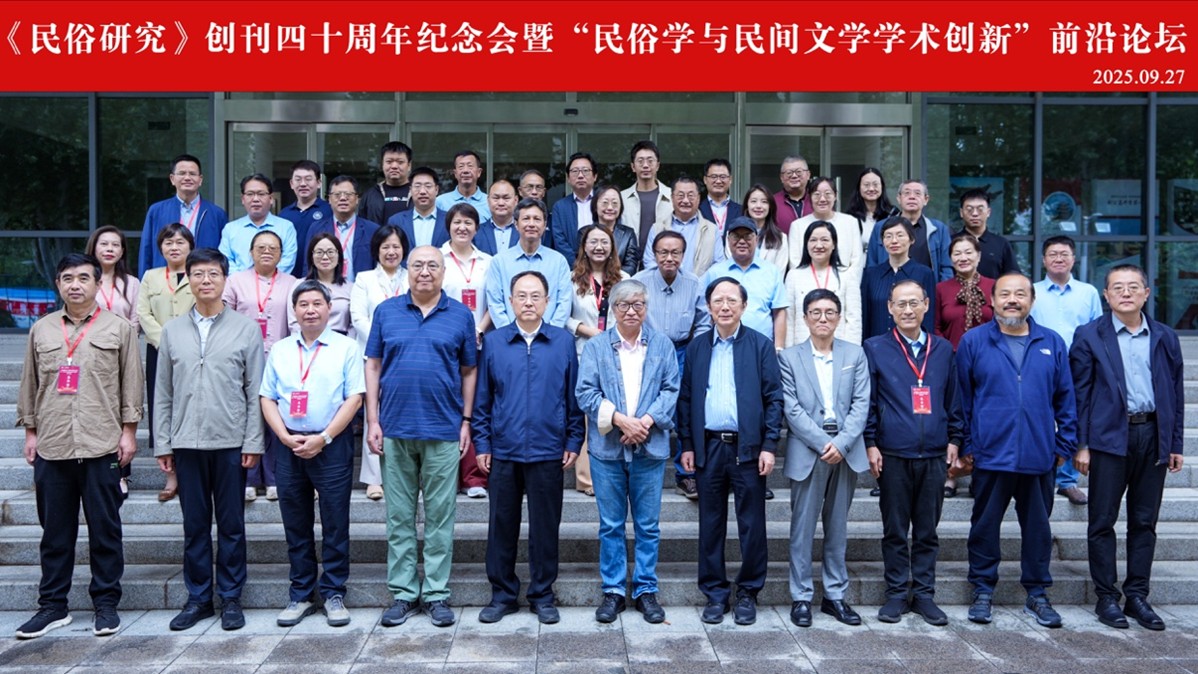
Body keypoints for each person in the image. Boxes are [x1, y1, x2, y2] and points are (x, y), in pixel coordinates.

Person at [14, 253, 142, 640]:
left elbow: (131, 382)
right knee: (55, 533)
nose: (75, 285)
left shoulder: (119, 328)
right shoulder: (42, 329)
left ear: (98, 284)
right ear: (58, 284)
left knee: (105, 531)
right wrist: (31, 432)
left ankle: (106, 604)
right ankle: (53, 606)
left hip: (102, 444)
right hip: (53, 444)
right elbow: (30, 382)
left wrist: (129, 432)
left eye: (84, 278)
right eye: (67, 278)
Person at [365, 246, 477, 629]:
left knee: (440, 517)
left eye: (432, 265)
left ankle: (436, 593)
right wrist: (373, 419)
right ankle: (403, 593)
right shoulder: (386, 312)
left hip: (443, 430)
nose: (424, 271)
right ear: (406, 270)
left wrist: (466, 421)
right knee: (399, 517)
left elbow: (468, 371)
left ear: (444, 271)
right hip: (394, 429)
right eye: (417, 265)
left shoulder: (460, 315)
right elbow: (373, 365)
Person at [956, 273, 1077, 628]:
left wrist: (1063, 446)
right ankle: (982, 590)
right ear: (992, 300)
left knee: (1038, 530)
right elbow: (962, 399)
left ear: (1032, 301)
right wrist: (967, 444)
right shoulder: (974, 341)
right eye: (1005, 294)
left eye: (1020, 294)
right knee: (984, 527)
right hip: (990, 454)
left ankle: (1037, 593)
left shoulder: (1051, 342)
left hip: (1039, 456)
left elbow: (1066, 399)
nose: (1012, 300)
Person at [1070, 264, 1185, 631]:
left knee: (1144, 521)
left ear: (1146, 294)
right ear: (1106, 295)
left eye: (1133, 287)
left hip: (1152, 435)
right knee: (1102, 520)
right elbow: (1080, 394)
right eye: (1117, 287)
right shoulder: (1090, 335)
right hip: (1107, 439)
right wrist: (1082, 444)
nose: (1125, 293)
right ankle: (1106, 596)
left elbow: (1176, 392)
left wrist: (1174, 442)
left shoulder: (1165, 336)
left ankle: (1137, 595)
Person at [156, 248, 264, 633]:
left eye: (213, 274)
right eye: (198, 274)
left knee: (232, 524)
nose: (206, 280)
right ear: (188, 279)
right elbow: (163, 393)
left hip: (231, 441)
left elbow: (255, 390)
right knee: (195, 525)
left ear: (224, 279)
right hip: (186, 442)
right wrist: (163, 443)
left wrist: (253, 441)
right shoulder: (172, 331)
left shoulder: (246, 329)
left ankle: (231, 598)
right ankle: (199, 598)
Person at [474, 271, 585, 625]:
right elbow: (483, 400)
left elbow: (573, 398)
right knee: (501, 526)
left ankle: (542, 594)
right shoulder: (495, 342)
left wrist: (573, 440)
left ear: (548, 302)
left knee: (545, 527)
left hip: (548, 450)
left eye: (536, 296)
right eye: (521, 295)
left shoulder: (562, 342)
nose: (528, 302)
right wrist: (482, 443)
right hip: (504, 450)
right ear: (510, 301)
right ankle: (502, 594)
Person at [678, 277, 782, 626]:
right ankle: (715, 593)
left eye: (731, 300)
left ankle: (748, 592)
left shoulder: (760, 345)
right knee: (710, 524)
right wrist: (687, 444)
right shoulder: (697, 348)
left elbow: (774, 399)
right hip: (708, 447)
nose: (724, 306)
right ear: (708, 307)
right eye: (718, 300)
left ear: (743, 306)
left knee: (752, 524)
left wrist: (769, 445)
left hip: (748, 449)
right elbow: (686, 399)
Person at [575, 279, 679, 625]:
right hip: (607, 450)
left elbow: (671, 389)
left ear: (646, 308)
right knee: (611, 524)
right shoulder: (596, 347)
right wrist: (621, 420)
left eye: (638, 304)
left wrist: (644, 422)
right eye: (624, 305)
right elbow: (585, 393)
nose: (631, 311)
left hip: (650, 447)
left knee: (648, 525)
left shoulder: (662, 345)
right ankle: (614, 590)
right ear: (612, 310)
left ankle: (646, 589)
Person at [261, 280, 364, 628]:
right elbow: (267, 397)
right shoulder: (280, 350)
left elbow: (355, 398)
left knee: (335, 523)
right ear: (294, 311)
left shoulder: (346, 347)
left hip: (331, 445)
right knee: (296, 523)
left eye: (317, 303)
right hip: (288, 444)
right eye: (303, 304)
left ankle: (333, 592)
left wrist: (324, 437)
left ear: (329, 308)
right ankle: (301, 594)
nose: (310, 310)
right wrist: (284, 436)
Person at [863, 280, 963, 626]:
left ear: (926, 306)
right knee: (894, 530)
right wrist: (870, 442)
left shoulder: (943, 349)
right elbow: (869, 401)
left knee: (926, 531)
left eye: (914, 303)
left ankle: (923, 595)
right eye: (901, 304)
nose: (907, 310)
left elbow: (954, 399)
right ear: (890, 308)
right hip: (892, 453)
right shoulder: (875, 348)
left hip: (934, 454)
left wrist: (955, 439)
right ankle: (895, 594)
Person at [779, 288, 870, 628]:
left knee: (837, 527)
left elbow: (862, 404)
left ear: (839, 317)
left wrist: (842, 444)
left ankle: (835, 595)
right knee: (802, 528)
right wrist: (822, 443)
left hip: (846, 450)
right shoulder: (789, 358)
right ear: (804, 318)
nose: (823, 318)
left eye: (830, 312)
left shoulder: (854, 354)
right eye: (815, 312)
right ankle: (801, 597)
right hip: (809, 449)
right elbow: (791, 409)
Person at [633, 231, 711, 501]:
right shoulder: (639, 282)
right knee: (648, 406)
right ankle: (644, 467)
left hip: (683, 350)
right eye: (663, 252)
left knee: (684, 409)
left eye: (675, 252)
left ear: (683, 255)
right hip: (648, 351)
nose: (669, 258)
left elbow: (704, 321)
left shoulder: (694, 283)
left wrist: (696, 352)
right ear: (654, 255)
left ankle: (685, 474)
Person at [222, 229, 298, 502]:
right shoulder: (234, 281)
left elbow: (296, 323)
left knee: (276, 419)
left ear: (281, 254)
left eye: (273, 248)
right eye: (261, 247)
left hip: (280, 360)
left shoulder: (292, 283)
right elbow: (225, 318)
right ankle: (250, 479)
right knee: (248, 418)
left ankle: (274, 478)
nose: (267, 252)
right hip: (242, 361)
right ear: (251, 252)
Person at [1029, 235, 1103, 507]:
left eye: (1064, 254)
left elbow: (1097, 329)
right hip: (1039, 363)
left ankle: (1068, 480)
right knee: (1040, 415)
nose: (1058, 259)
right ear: (1043, 260)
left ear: (1073, 259)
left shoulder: (1088, 292)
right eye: (1052, 254)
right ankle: (1039, 471)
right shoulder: (1032, 291)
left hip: (1078, 365)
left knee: (1072, 417)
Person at [350, 224, 411, 500]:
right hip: (373, 355)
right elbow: (358, 317)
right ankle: (374, 478)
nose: (391, 251)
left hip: (406, 355)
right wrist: (383, 340)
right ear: (377, 250)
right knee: (373, 413)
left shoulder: (412, 277)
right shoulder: (364, 279)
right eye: (386, 246)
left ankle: (404, 475)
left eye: (396, 246)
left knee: (403, 412)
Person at [567, 225, 629, 496]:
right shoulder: (572, 280)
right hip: (583, 352)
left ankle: (614, 476)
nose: (599, 247)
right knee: (586, 414)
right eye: (593, 242)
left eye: (604, 241)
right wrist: (588, 331)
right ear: (584, 247)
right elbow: (563, 317)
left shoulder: (624, 279)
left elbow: (631, 314)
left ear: (612, 246)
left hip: (617, 352)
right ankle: (586, 479)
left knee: (614, 411)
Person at [136, 223, 196, 502]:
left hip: (192, 352)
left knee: (189, 406)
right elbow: (143, 313)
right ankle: (171, 478)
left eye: (180, 242)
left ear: (190, 247)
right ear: (160, 247)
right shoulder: (151, 276)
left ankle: (190, 473)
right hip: (158, 351)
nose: (174, 247)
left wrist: (182, 344)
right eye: (168, 242)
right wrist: (166, 341)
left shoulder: (198, 274)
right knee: (162, 408)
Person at [439, 203, 492, 499]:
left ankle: (474, 477)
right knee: (448, 405)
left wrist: (479, 330)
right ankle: (446, 474)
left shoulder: (488, 262)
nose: (462, 227)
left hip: (480, 343)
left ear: (476, 228)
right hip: (445, 344)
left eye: (468, 223)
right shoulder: (437, 259)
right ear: (448, 226)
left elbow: (496, 302)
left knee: (475, 408)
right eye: (457, 222)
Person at [85, 226, 141, 498]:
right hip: (89, 356)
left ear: (122, 251)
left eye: (115, 245)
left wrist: (121, 341)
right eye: (104, 244)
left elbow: (136, 319)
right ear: (94, 247)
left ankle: (121, 473)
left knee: (122, 413)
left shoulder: (132, 283)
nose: (109, 249)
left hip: (122, 355)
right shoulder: (84, 279)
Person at [484, 198, 573, 328]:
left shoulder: (558, 261)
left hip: (550, 336)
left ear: (545, 225)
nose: (531, 224)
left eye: (537, 219)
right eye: (526, 219)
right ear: (516, 224)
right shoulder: (499, 261)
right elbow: (495, 303)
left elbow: (564, 303)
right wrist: (510, 333)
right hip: (510, 336)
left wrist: (550, 333)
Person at [702, 217, 788, 350]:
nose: (742, 241)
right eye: (736, 236)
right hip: (723, 346)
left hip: (762, 347)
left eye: (747, 236)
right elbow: (705, 313)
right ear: (728, 240)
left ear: (756, 240)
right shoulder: (714, 272)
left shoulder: (771, 271)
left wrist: (778, 348)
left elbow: (779, 312)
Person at [139, 153, 227, 273]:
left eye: (192, 174)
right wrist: (144, 279)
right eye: (182, 173)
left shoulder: (217, 214)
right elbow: (146, 250)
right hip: (165, 277)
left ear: (200, 180)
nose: (187, 178)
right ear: (172, 179)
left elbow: (223, 254)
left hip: (203, 277)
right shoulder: (157, 211)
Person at [785, 220, 861, 346]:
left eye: (825, 240)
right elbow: (789, 319)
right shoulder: (794, 276)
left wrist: (851, 352)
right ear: (806, 244)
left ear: (834, 244)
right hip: (802, 348)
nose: (819, 245)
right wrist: (789, 352)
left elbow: (854, 319)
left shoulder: (847, 275)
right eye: (813, 240)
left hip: (838, 348)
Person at [861, 218, 937, 340]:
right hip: (876, 345)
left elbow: (929, 317)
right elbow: (865, 316)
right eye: (888, 236)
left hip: (913, 346)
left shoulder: (925, 273)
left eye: (900, 235)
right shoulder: (870, 274)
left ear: (911, 239)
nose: (894, 241)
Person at [865, 180, 952, 282]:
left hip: (926, 288)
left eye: (917, 193)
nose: (912, 197)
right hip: (888, 287)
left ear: (926, 199)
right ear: (899, 198)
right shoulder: (881, 227)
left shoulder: (938, 229)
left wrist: (940, 290)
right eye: (907, 193)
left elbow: (946, 267)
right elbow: (872, 263)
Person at [303, 175, 380, 283]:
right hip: (324, 289)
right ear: (329, 199)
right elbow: (307, 264)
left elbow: (378, 266)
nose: (343, 198)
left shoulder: (372, 230)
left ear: (357, 199)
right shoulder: (316, 228)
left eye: (348, 194)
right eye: (337, 195)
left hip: (361, 289)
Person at [641, 176, 722, 277]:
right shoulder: (658, 228)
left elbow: (718, 264)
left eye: (691, 196)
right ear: (672, 198)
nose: (686, 200)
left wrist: (698, 283)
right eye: (680, 195)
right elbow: (649, 261)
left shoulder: (712, 230)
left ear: (698, 198)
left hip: (701, 285)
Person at [219, 173, 299, 274]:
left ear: (271, 199)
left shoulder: (286, 227)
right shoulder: (230, 229)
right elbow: (226, 261)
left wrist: (266, 279)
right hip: (238, 283)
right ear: (243, 199)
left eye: (261, 194)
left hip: (276, 283)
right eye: (250, 194)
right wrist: (243, 281)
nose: (255, 199)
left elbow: (287, 262)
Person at [789, 177, 864, 280]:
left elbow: (857, 260)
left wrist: (848, 284)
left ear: (835, 196)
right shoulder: (797, 226)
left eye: (828, 194)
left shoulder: (850, 222)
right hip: (808, 285)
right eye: (817, 194)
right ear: (810, 197)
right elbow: (795, 262)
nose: (822, 199)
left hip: (844, 285)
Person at [935, 233, 995, 349]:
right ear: (951, 259)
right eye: (957, 254)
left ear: (978, 256)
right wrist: (947, 350)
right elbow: (935, 327)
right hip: (952, 354)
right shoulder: (941, 289)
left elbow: (1002, 322)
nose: (963, 258)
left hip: (988, 352)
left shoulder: (994, 286)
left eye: (968, 252)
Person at [288, 233, 353, 335]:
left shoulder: (351, 288)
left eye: (330, 252)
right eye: (319, 252)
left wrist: (345, 342)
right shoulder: (299, 285)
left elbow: (353, 325)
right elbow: (293, 323)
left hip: (342, 341)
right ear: (311, 257)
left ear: (339, 256)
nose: (325, 257)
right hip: (307, 340)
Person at [622, 140, 673, 252]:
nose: (645, 165)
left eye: (650, 161)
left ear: (658, 165)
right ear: (633, 166)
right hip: (629, 259)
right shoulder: (621, 198)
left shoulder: (672, 196)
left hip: (664, 259)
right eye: (640, 161)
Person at [279, 159, 333, 265]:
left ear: (319, 183)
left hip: (320, 269)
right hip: (289, 270)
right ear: (291, 184)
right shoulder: (284, 214)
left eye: (308, 179)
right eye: (298, 179)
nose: (303, 184)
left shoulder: (329, 210)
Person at [958, 188, 1019, 279]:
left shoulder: (1001, 244)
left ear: (988, 212)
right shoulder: (951, 242)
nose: (975, 213)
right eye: (969, 209)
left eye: (980, 209)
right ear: (961, 212)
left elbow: (1013, 277)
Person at [550, 151, 598, 262]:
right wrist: (577, 265)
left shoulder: (604, 202)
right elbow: (560, 242)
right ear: (568, 178)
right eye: (575, 171)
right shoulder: (560, 207)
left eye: (585, 171)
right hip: (572, 267)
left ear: (595, 176)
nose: (580, 176)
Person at [390, 166, 448, 253]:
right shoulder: (396, 221)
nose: (422, 191)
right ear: (410, 190)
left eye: (428, 186)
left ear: (436, 190)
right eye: (417, 186)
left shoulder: (449, 220)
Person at [589, 183, 641, 275]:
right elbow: (581, 263)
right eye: (605, 203)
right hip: (590, 282)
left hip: (621, 281)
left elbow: (631, 266)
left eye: (615, 203)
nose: (610, 207)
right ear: (595, 206)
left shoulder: (628, 234)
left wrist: (610, 279)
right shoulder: (585, 232)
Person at [358, 141, 414, 225]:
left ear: (409, 165)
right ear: (382, 164)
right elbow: (361, 226)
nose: (394, 166)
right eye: (389, 162)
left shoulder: (419, 193)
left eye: (400, 162)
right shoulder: (370, 195)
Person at [739, 184, 789, 277]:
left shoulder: (781, 238)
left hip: (769, 285)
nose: (758, 206)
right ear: (747, 205)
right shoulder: (732, 235)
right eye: (753, 201)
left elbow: (779, 274)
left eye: (764, 202)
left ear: (770, 206)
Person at [845, 167, 895, 250]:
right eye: (866, 185)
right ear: (859, 188)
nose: (871, 189)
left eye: (875, 184)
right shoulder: (849, 217)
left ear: (882, 187)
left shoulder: (893, 214)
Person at [435, 150, 490, 220]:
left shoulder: (489, 202)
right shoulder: (440, 202)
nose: (465, 171)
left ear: (479, 172)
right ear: (455, 173)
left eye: (470, 166)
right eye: (461, 166)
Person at [475, 179, 521, 257]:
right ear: (488, 201)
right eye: (496, 198)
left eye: (506, 198)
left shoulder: (525, 231)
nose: (501, 203)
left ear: (516, 200)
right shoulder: (476, 232)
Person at [699, 158, 742, 240]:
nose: (718, 181)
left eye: (723, 177)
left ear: (730, 180)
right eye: (714, 176)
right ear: (705, 180)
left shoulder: (742, 210)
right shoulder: (697, 210)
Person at [773, 155, 814, 234]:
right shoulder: (772, 202)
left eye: (799, 172)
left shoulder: (817, 201)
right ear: (781, 177)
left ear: (808, 175)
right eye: (789, 173)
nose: (794, 176)